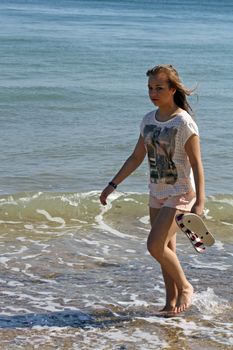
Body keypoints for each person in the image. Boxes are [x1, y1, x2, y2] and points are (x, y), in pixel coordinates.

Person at [99, 64, 205, 314]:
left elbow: (197, 164)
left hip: (180, 193)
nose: (153, 92)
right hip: (156, 193)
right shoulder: (148, 120)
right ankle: (170, 302)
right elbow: (136, 157)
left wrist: (200, 201)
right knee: (166, 250)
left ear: (172, 89)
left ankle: (186, 287)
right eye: (150, 88)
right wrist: (112, 184)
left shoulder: (184, 123)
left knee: (154, 246)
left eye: (159, 87)